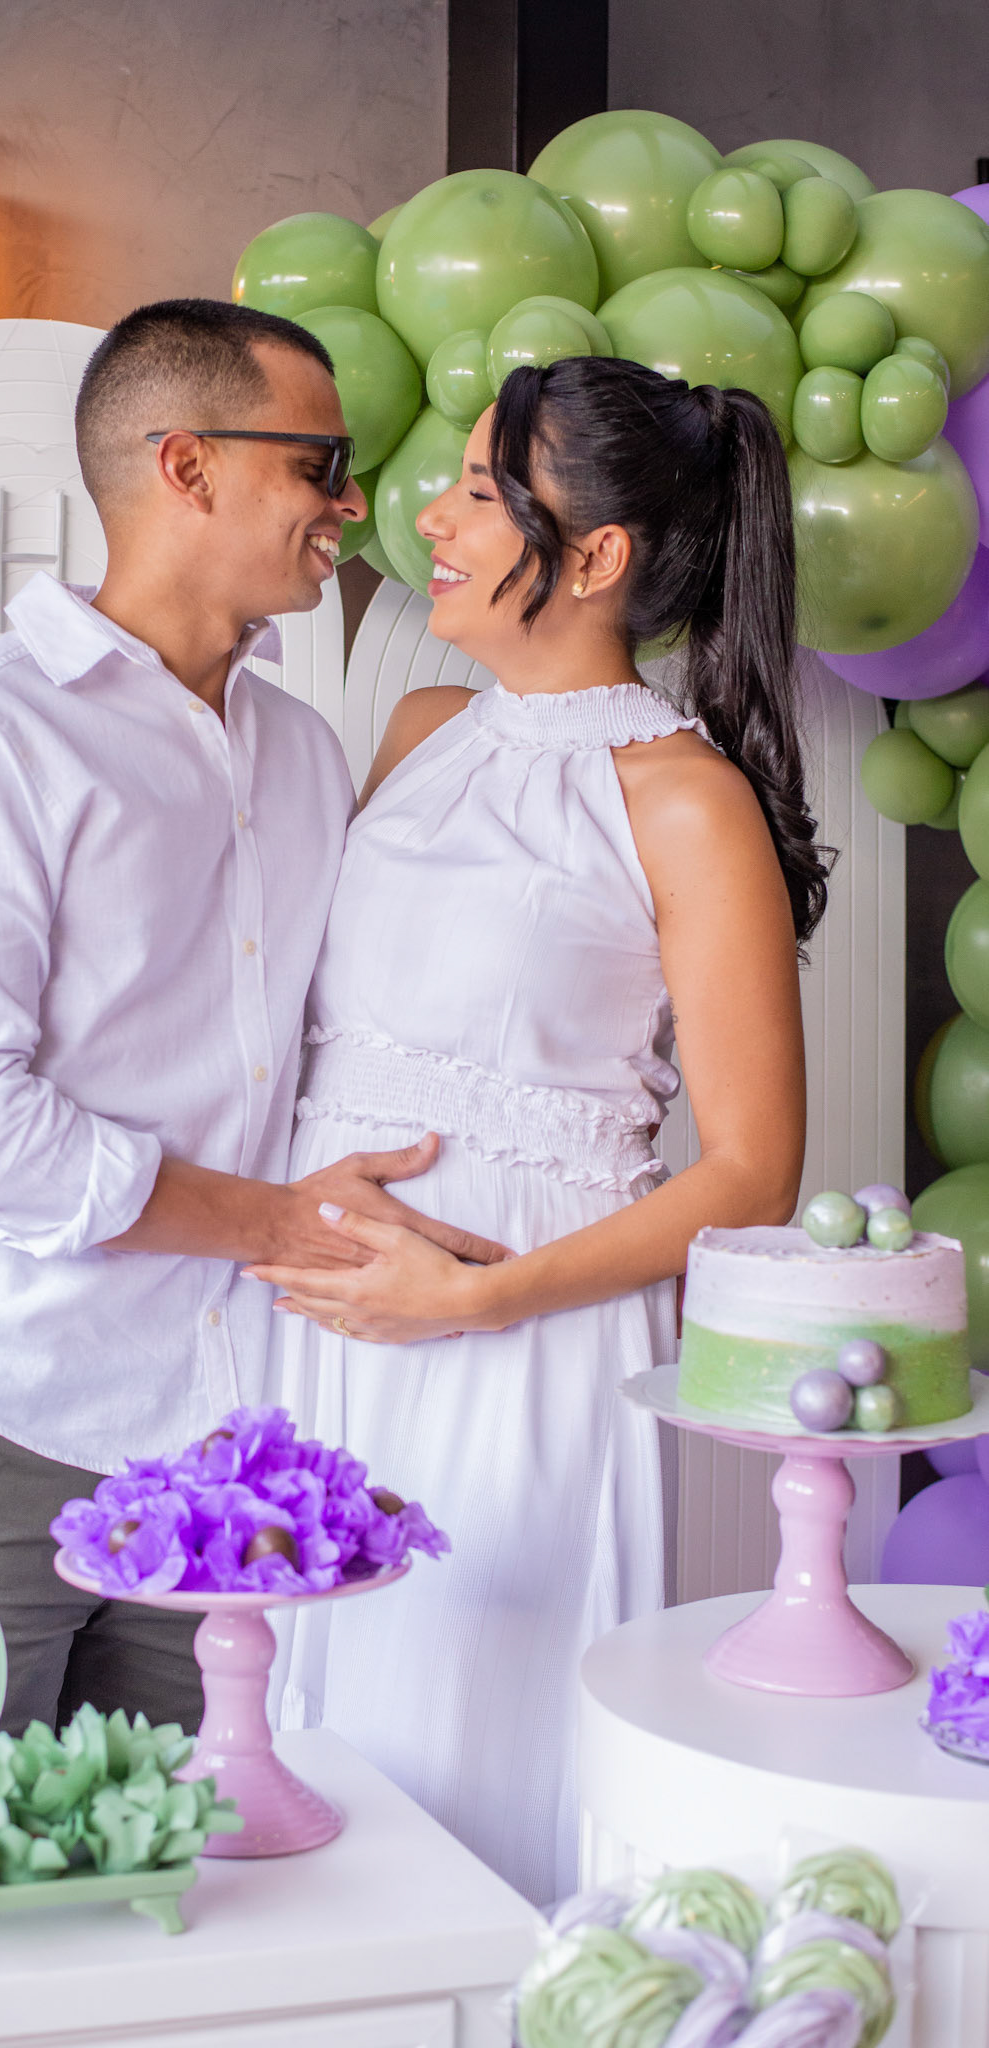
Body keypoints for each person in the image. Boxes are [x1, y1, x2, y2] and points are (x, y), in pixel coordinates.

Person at [0, 298, 503, 1739]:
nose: (353, 505)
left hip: (214, 1443)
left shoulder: (302, 755)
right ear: (187, 465)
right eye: (319, 465)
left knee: (179, 1862)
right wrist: (279, 1225)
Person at [252, 355, 831, 1903]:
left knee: (468, 1752)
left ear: (596, 555)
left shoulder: (684, 801)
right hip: (328, 1342)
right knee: (311, 1766)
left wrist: (477, 1298)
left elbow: (752, 1173)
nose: (430, 521)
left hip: (520, 1345)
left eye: (479, 493)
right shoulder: (420, 729)